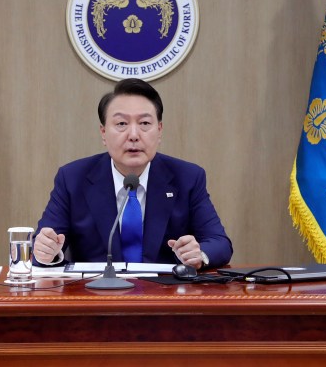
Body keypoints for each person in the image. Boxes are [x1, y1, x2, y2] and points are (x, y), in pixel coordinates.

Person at [33, 78, 233, 269]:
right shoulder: (73, 178)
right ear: (103, 133)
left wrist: (199, 254)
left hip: (164, 298)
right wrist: (47, 252)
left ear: (160, 130)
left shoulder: (188, 177)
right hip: (95, 296)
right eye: (121, 124)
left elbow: (219, 243)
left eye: (145, 124)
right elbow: (41, 246)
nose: (134, 135)